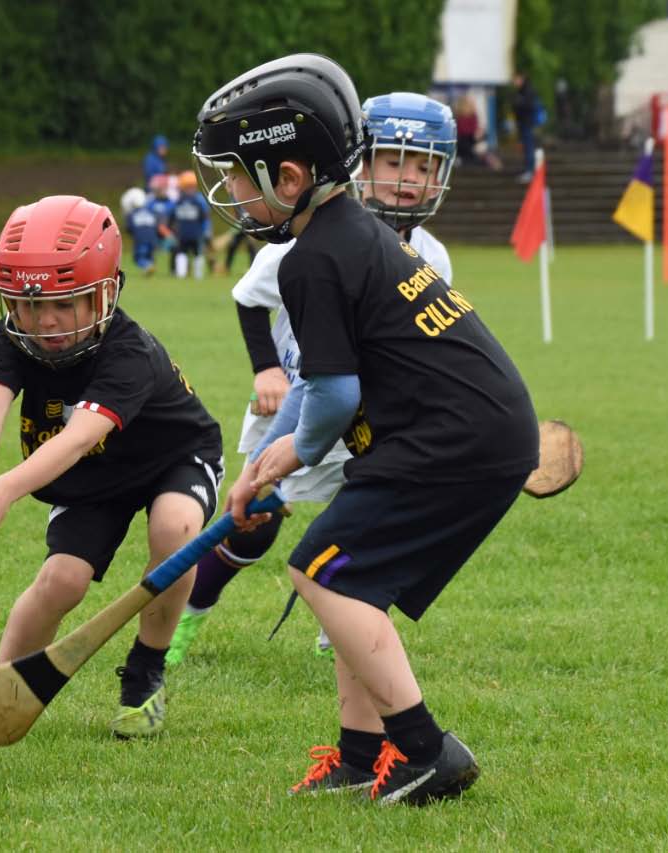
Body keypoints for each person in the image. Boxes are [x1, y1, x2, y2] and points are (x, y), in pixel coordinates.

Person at [193, 54, 538, 803]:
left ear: (289, 179)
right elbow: (332, 387)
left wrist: (277, 460)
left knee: (321, 568)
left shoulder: (310, 259)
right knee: (352, 578)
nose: (228, 192)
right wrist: (269, 463)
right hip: (467, 428)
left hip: (453, 437)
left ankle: (424, 751)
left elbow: (333, 392)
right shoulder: (354, 231)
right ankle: (359, 755)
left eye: (238, 175)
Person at [169, 90, 459, 666]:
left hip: (374, 416)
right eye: (395, 161)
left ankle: (348, 622)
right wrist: (267, 369)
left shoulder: (433, 255)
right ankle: (188, 617)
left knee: (372, 516)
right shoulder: (311, 232)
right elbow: (249, 299)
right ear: (361, 160)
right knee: (253, 524)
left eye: (424, 166)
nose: (408, 179)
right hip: (300, 404)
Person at [0, 194, 225, 739]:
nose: (45, 322)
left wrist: (1, 491)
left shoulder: (129, 353)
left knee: (175, 528)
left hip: (173, 457)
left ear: (105, 294)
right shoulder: (16, 337)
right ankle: (0, 687)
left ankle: (145, 671)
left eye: (64, 305)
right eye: (30, 305)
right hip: (94, 477)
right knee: (62, 580)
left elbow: (74, 440)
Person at [168, 170, 211, 278]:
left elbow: (171, 217)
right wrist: (206, 231)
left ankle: (186, 275)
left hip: (185, 233)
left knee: (188, 253)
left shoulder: (178, 201)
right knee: (193, 253)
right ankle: (194, 275)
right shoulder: (198, 201)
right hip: (193, 233)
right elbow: (204, 218)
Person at [453, 94, 501, 171]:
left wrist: (478, 132)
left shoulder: (472, 115)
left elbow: (472, 128)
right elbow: (463, 130)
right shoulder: (461, 116)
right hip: (465, 140)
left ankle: (488, 160)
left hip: (469, 140)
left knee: (482, 140)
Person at [120, 186, 161, 275]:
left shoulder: (132, 214)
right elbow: (156, 226)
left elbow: (129, 228)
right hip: (153, 239)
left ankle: (147, 266)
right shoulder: (150, 212)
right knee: (149, 256)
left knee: (138, 257)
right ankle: (149, 267)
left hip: (141, 240)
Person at [511, 73, 541, 183]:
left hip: (527, 123)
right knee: (527, 146)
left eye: (516, 79)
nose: (514, 82)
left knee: (529, 146)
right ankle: (529, 170)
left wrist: (519, 104)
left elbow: (528, 106)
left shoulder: (527, 92)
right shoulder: (521, 91)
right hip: (523, 123)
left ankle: (530, 171)